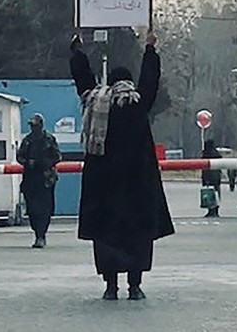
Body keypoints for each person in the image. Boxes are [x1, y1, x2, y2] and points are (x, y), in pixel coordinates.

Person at [70, 31, 174, 301]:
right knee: (137, 237)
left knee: (107, 237)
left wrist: (77, 51)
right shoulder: (138, 104)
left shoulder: (95, 102)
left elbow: (82, 79)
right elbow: (150, 80)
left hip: (103, 189)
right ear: (129, 82)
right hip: (137, 187)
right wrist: (150, 50)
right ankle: (135, 286)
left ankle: (111, 286)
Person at [17, 113, 61, 248]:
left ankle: (41, 235)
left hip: (45, 178)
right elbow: (20, 156)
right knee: (32, 209)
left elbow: (57, 156)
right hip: (30, 178)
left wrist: (45, 163)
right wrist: (28, 162)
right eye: (31, 126)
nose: (33, 128)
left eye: (35, 126)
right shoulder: (27, 140)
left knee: (45, 209)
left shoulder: (49, 139)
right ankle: (37, 232)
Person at [201, 139, 222, 217]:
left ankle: (211, 210)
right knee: (216, 194)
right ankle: (215, 210)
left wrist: (204, 178)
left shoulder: (207, 153)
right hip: (216, 177)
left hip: (210, 177)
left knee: (210, 194)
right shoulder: (216, 153)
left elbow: (204, 167)